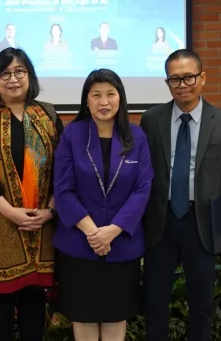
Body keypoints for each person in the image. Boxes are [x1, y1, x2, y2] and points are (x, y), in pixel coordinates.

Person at [141, 49, 221, 341]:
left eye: (189, 77)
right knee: (155, 302)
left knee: (201, 304)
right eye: (174, 79)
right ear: (167, 83)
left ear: (203, 78)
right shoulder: (151, 119)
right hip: (160, 223)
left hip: (203, 223)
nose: (182, 85)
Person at [0, 48, 63, 341]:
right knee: (1, 306)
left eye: (20, 71)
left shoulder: (48, 113)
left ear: (29, 76)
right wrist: (11, 212)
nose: (13, 79)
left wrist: (51, 211)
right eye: (5, 73)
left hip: (42, 222)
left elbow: (65, 165)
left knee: (35, 301)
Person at [53, 69, 153, 341]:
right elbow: (63, 190)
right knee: (83, 319)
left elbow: (143, 189)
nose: (104, 102)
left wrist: (112, 231)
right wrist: (93, 233)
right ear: (86, 100)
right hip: (79, 245)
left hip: (121, 245)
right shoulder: (72, 134)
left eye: (110, 94)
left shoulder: (137, 137)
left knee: (115, 319)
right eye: (96, 95)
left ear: (120, 98)